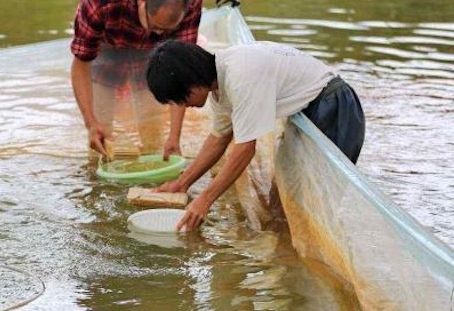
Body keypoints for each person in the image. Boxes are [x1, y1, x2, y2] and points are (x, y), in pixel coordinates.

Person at [146, 40, 365, 231]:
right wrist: (182, 184)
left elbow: (245, 149)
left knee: (314, 203)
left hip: (334, 108)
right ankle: (283, 255)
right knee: (282, 198)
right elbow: (218, 139)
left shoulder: (241, 76)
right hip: (308, 111)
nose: (184, 105)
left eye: (181, 98)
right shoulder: (220, 86)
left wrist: (206, 199)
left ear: (193, 81)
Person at [70, 0, 203, 159]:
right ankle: (98, 166)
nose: (159, 32)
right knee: (101, 125)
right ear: (142, 1)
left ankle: (152, 157)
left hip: (154, 50)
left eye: (166, 30)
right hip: (109, 40)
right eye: (155, 26)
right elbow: (82, 61)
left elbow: (180, 72)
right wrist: (91, 123)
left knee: (151, 123)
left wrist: (174, 137)